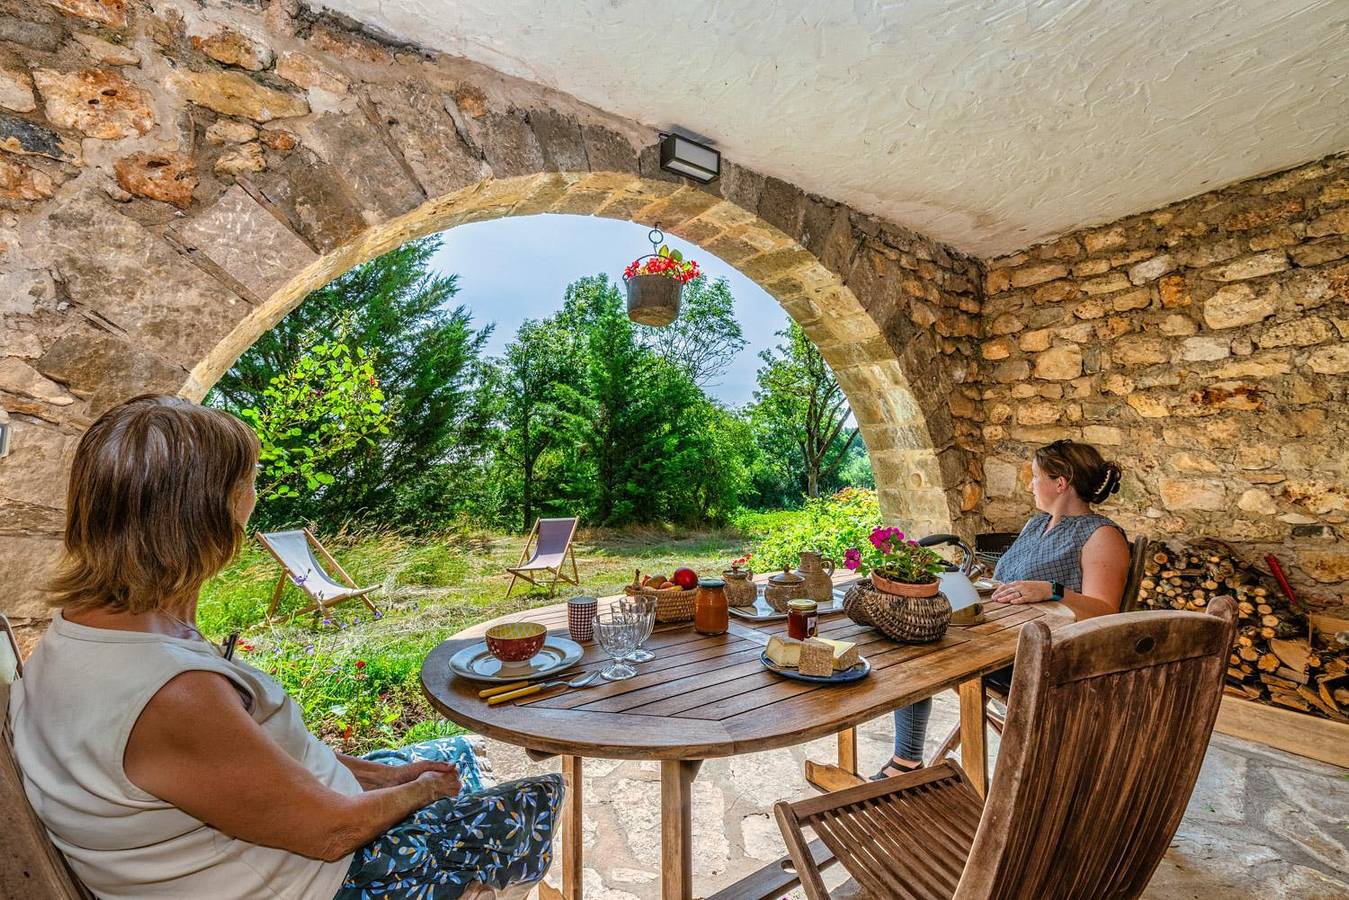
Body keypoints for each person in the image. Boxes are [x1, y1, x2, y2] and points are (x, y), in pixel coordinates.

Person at [11, 395, 561, 900]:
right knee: (535, 798)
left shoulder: (88, 633)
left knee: (453, 756)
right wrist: (415, 795)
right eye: (248, 482)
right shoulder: (170, 694)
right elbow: (332, 831)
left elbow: (251, 762)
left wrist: (387, 778)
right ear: (208, 513)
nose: (255, 496)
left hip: (262, 846)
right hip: (314, 880)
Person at [873, 438, 1129, 780]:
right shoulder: (1037, 524)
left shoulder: (1102, 536)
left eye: (1035, 476)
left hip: (1044, 658)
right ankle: (907, 760)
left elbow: (1106, 612)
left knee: (921, 652)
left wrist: (1052, 592)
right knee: (913, 634)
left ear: (1061, 482)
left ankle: (909, 766)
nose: (1029, 484)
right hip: (1000, 635)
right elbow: (1006, 578)